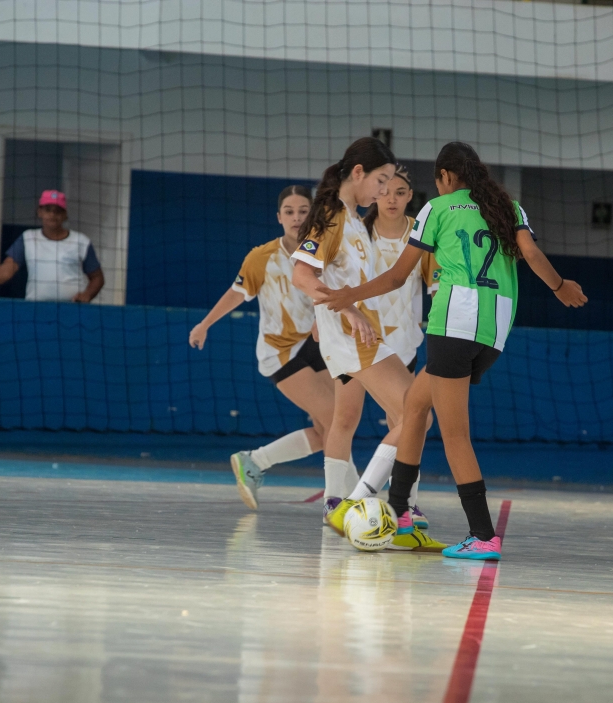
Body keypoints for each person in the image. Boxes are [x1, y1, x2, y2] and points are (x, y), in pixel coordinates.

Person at [318, 142, 587, 560]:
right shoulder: (509, 208)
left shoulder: (437, 209)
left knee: (454, 434)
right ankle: (401, 516)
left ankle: (482, 534)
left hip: (454, 322)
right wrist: (561, 286)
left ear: (444, 177)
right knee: (414, 406)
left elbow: (397, 277)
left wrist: (349, 295)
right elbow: (531, 253)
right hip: (494, 329)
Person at [291, 137, 447, 553]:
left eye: (392, 185)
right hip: (353, 339)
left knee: (413, 416)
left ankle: (390, 511)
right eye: (380, 181)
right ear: (358, 173)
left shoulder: (355, 221)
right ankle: (361, 505)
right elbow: (302, 276)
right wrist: (346, 312)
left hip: (368, 337)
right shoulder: (331, 215)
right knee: (415, 416)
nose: (382, 192)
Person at [189, 185, 339, 510]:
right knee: (337, 419)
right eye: (289, 212)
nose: (296, 218)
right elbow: (237, 292)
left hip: (316, 344)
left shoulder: (326, 251)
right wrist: (205, 324)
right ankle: (340, 500)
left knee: (327, 429)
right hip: (280, 350)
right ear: (279, 217)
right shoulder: (262, 257)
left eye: (303, 211)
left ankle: (255, 461)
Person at [0, 190, 104, 303]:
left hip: (73, 310)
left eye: (58, 211)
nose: (52, 215)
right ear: (39, 212)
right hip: (36, 309)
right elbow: (5, 271)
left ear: (65, 215)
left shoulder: (81, 241)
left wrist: (87, 295)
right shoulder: (28, 238)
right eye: (48, 210)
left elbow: (97, 278)